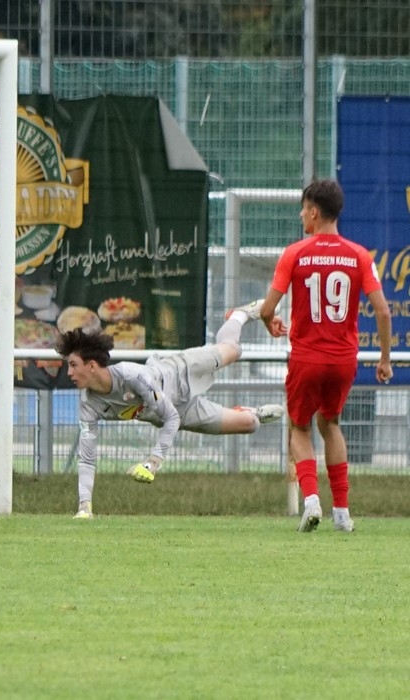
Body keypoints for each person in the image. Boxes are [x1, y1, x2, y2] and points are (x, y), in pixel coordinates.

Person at [57, 306, 285, 519]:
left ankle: (240, 314)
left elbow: (170, 417)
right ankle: (247, 412)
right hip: (180, 412)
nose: (69, 373)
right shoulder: (89, 404)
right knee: (250, 424)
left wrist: (153, 462)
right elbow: (87, 458)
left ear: (92, 365)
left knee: (234, 350)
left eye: (73, 364)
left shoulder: (132, 375)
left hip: (182, 371)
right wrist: (84, 507)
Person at [259, 179, 392, 533]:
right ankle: (343, 513)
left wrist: (270, 321)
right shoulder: (359, 255)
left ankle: (311, 502)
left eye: (304, 209)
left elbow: (268, 308)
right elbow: (383, 312)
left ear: (315, 212)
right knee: (330, 424)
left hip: (307, 357)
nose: (301, 215)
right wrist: (384, 359)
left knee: (300, 427)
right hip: (343, 359)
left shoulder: (295, 253)